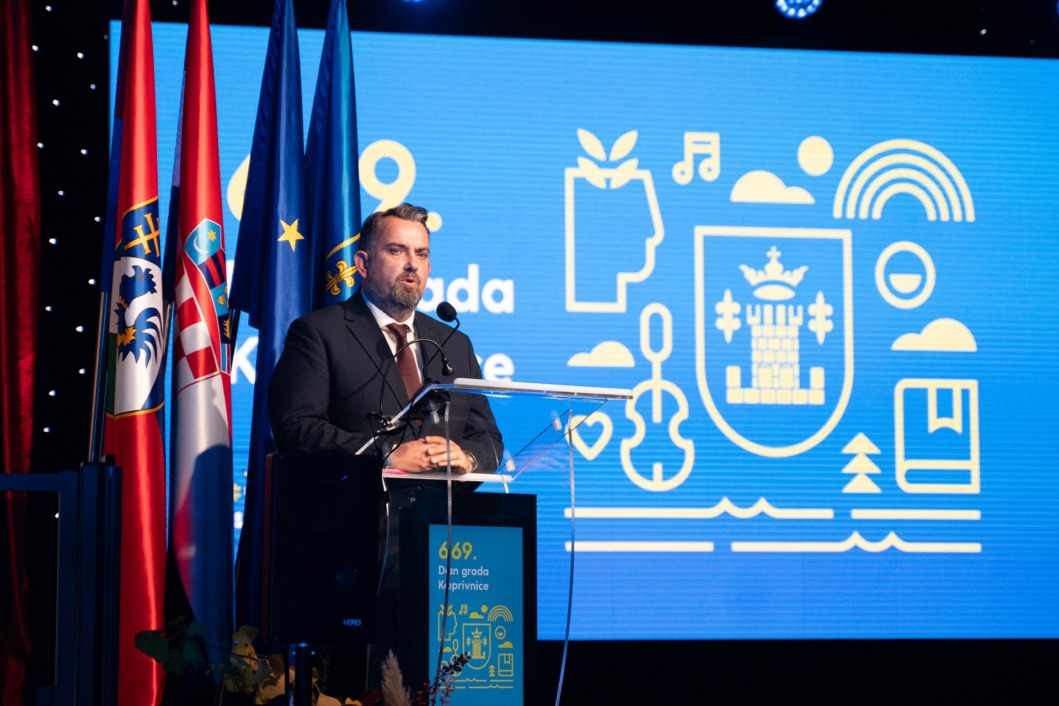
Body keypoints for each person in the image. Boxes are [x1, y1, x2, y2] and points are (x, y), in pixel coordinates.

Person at [267, 202, 502, 699]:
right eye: (397, 250)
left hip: (445, 553)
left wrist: (467, 458)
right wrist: (388, 458)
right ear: (363, 262)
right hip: (354, 554)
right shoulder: (320, 333)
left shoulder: (452, 342)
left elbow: (488, 438)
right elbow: (296, 429)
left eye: (422, 254)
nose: (412, 264)